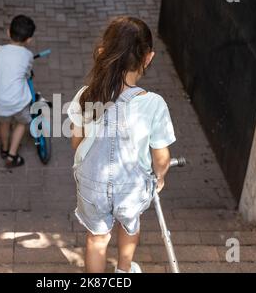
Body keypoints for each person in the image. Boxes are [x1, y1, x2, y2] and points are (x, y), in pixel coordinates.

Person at [67, 17, 176, 273]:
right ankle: (124, 270)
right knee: (130, 226)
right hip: (132, 186)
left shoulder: (87, 95)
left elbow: (76, 143)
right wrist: (159, 177)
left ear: (103, 53)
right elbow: (161, 158)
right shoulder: (154, 104)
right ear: (148, 58)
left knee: (96, 239)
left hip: (92, 183)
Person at [0, 15, 36, 168]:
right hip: (18, 102)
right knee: (22, 122)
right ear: (29, 40)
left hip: (0, 100)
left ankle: (4, 149)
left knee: (3, 123)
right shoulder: (27, 55)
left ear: (8, 32)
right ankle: (12, 155)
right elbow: (27, 72)